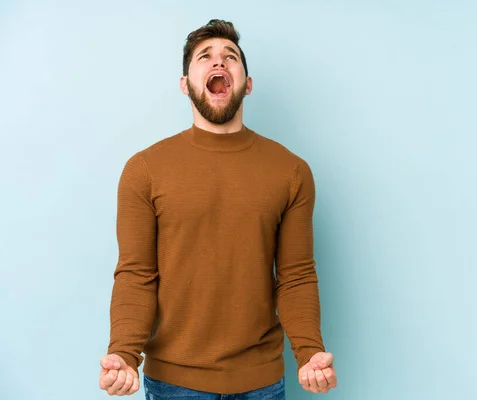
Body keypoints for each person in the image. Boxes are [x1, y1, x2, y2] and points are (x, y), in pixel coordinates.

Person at [98, 19, 337, 398]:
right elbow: (136, 274)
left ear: (247, 82)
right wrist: (124, 353)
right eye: (204, 57)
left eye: (231, 57)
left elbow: (296, 275)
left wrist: (309, 352)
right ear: (185, 84)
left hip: (261, 382)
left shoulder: (291, 171)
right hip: (173, 384)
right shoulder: (144, 169)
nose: (218, 63)